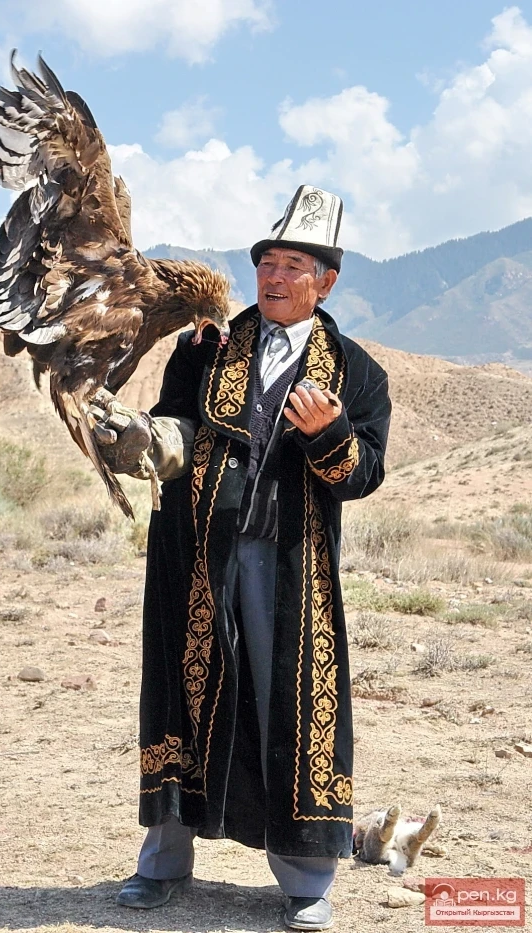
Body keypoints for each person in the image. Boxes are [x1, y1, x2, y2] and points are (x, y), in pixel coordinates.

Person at [96, 186, 392, 931]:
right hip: (195, 551)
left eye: (293, 266)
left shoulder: (357, 373)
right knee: (181, 691)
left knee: (289, 703)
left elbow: (363, 474)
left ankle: (306, 880)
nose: (274, 276)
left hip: (289, 567)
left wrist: (329, 436)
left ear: (326, 282)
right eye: (268, 262)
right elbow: (174, 425)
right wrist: (147, 440)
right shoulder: (206, 345)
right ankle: (163, 863)